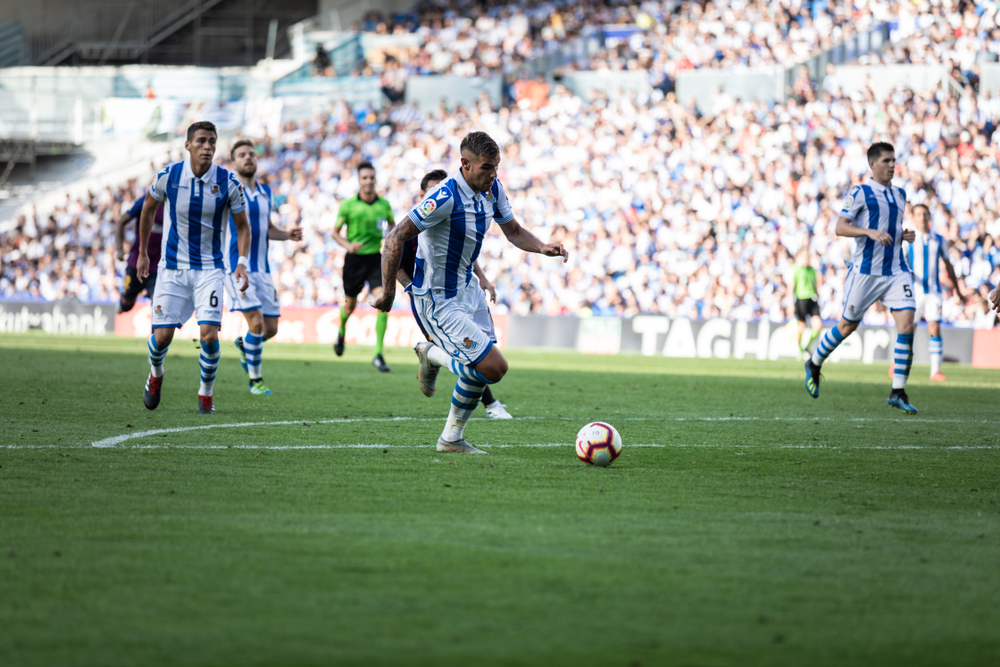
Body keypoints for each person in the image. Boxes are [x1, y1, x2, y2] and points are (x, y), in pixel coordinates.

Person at [373, 131, 568, 453]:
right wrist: (389, 293)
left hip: (469, 290)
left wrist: (541, 246)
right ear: (465, 163)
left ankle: (451, 439)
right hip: (438, 299)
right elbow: (394, 238)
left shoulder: (493, 189)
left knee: (483, 369)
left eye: (496, 166)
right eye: (487, 167)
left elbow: (514, 232)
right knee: (493, 367)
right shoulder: (443, 197)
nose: (493, 174)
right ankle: (432, 354)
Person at [137, 121, 251, 414]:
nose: (207, 146)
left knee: (209, 336)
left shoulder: (228, 182)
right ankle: (156, 373)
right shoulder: (169, 176)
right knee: (161, 338)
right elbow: (147, 209)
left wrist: (241, 262)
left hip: (210, 270)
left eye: (212, 141)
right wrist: (142, 253)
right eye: (201, 141)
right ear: (187, 145)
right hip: (172, 269)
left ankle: (205, 394)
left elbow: (243, 226)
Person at [804, 142, 918, 413]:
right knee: (847, 327)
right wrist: (868, 232)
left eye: (894, 160)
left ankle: (898, 391)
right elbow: (840, 227)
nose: (892, 165)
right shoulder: (860, 193)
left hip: (896, 271)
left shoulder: (900, 194)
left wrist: (903, 235)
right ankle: (814, 362)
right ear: (873, 165)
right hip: (865, 272)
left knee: (907, 325)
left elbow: (891, 227)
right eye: (887, 160)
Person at [396, 169, 512, 420]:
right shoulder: (414, 227)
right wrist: (410, 288)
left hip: (461, 292)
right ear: (423, 195)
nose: (438, 194)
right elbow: (397, 263)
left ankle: (432, 357)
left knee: (480, 352)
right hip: (430, 297)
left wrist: (482, 277)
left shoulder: (451, 214)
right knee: (472, 356)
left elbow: (464, 254)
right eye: (433, 191)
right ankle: (489, 405)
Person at [224, 139, 303, 395]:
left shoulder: (266, 192)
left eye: (251, 154)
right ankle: (255, 381)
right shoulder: (227, 190)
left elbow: (267, 229)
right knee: (256, 323)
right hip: (237, 268)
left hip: (263, 269)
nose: (248, 158)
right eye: (242, 155)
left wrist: (287, 234)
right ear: (234, 162)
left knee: (270, 329)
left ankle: (245, 346)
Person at [332, 161, 394, 372]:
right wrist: (348, 245)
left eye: (371, 177)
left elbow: (394, 228)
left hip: (375, 260)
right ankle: (341, 331)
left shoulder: (384, 205)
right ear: (359, 181)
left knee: (383, 301)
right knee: (350, 306)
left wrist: (390, 240)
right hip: (354, 260)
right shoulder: (348, 205)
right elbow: (335, 233)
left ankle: (378, 354)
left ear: (376, 180)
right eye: (364, 178)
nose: (368, 181)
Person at [906, 203, 965, 381]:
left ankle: (935, 371)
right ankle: (898, 362)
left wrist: (957, 289)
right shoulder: (908, 239)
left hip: (933, 291)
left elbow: (948, 265)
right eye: (918, 214)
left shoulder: (938, 239)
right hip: (913, 291)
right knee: (908, 329)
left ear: (929, 216)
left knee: (934, 327)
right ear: (914, 217)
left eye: (925, 214)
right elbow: (900, 263)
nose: (922, 217)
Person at [114, 193, 163, 313]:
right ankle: (127, 298)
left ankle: (156, 325)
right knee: (127, 305)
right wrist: (119, 249)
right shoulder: (145, 201)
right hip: (136, 261)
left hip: (158, 265)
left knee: (158, 302)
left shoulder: (174, 203)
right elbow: (121, 222)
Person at [792, 248, 822, 359]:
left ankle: (807, 347)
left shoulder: (813, 270)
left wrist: (818, 296)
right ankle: (800, 351)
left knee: (818, 326)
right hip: (801, 300)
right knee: (801, 327)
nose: (806, 259)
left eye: (808, 256)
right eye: (804, 256)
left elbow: (815, 285)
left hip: (812, 299)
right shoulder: (797, 269)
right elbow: (791, 287)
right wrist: (791, 304)